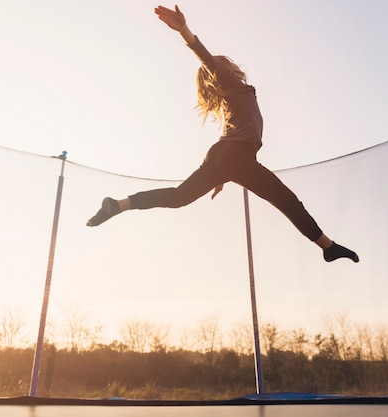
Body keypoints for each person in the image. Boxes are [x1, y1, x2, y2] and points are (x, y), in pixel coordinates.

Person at [87, 5, 359, 264]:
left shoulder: (235, 95)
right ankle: (328, 247)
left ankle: (117, 205)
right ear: (225, 70)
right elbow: (204, 57)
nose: (232, 67)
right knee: (285, 200)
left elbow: (232, 140)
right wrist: (185, 31)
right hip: (233, 156)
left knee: (179, 197)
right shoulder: (230, 83)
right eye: (226, 66)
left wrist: (222, 175)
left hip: (224, 156)